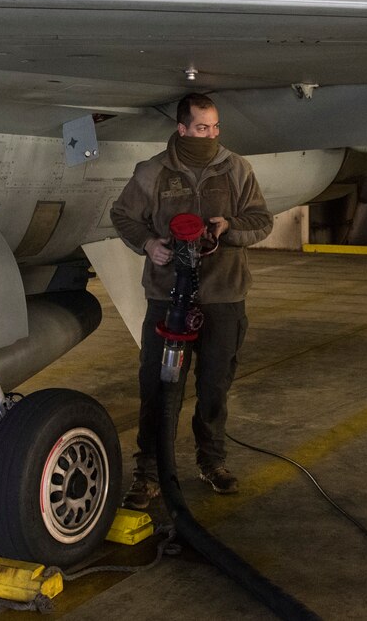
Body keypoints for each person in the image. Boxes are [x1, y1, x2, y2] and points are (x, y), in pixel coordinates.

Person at [111, 93, 273, 505]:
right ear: (182, 129)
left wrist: (228, 227)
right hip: (168, 299)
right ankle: (149, 472)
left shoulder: (237, 169)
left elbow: (261, 221)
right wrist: (149, 244)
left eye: (216, 127)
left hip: (224, 296)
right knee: (159, 388)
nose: (211, 135)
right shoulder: (152, 172)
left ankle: (212, 461)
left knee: (215, 387)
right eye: (202, 128)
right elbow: (123, 215)